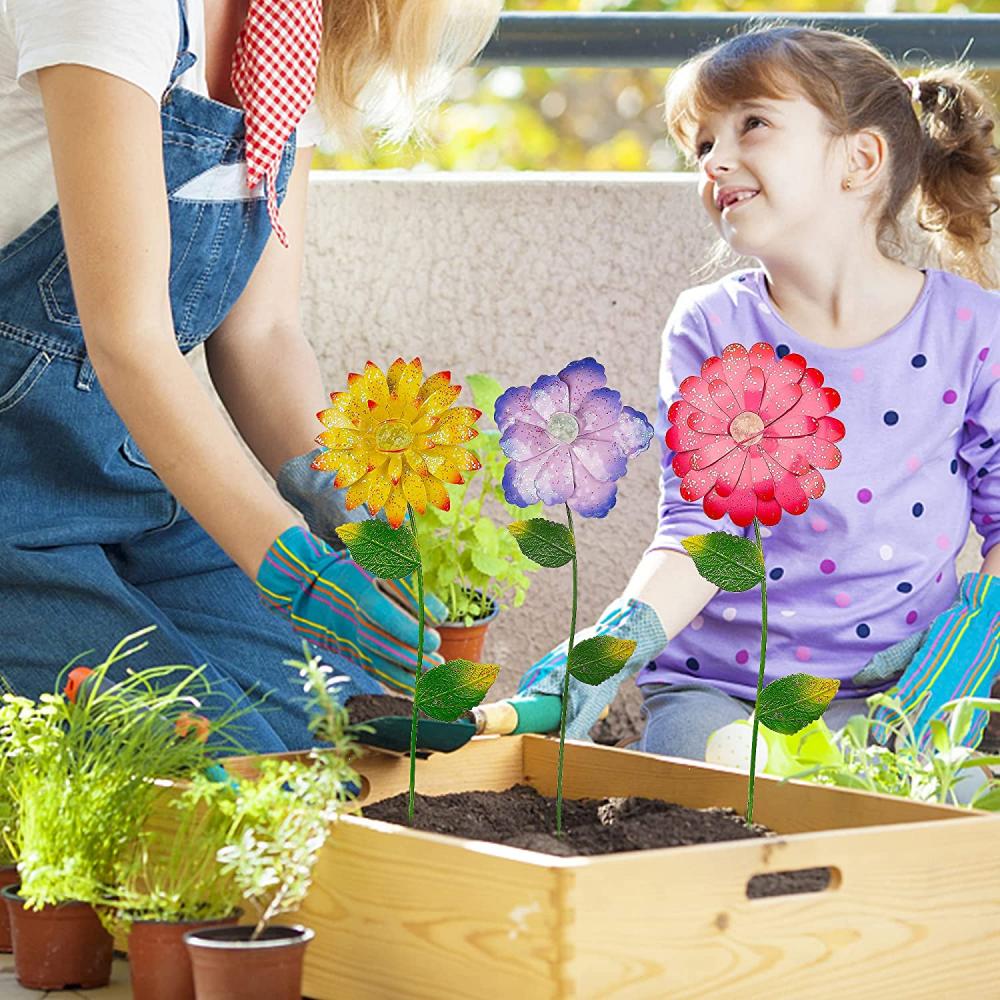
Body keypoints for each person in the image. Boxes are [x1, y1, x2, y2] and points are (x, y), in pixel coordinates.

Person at [0, 0, 502, 751]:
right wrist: (294, 570)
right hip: (12, 505)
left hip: (139, 492)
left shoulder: (290, 27)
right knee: (235, 773)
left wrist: (349, 507)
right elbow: (128, 339)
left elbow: (261, 334)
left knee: (363, 743)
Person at [511, 25, 1000, 760]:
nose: (716, 160)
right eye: (703, 144)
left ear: (860, 158)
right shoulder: (713, 324)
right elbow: (700, 531)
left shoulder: (972, 328)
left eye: (753, 125)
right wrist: (612, 647)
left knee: (940, 830)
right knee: (699, 794)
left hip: (906, 694)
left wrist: (959, 659)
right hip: (722, 692)